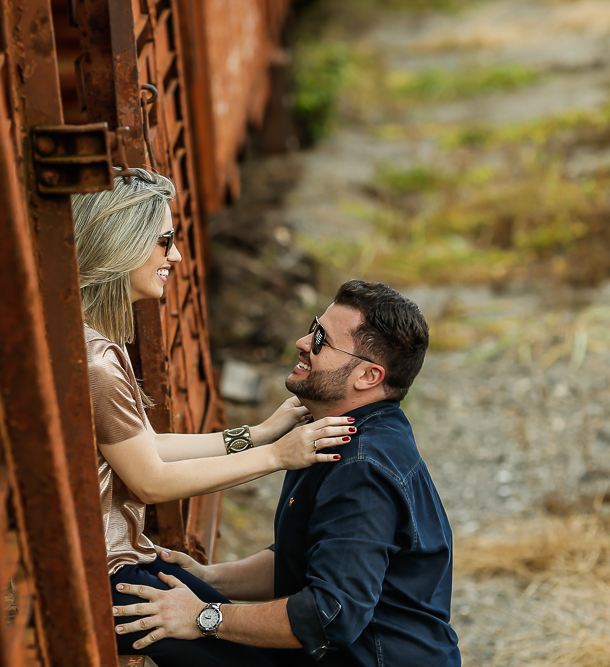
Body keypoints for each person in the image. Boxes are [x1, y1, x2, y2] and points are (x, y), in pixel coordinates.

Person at [71, 168, 354, 665]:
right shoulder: (95, 359)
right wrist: (276, 456)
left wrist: (255, 434)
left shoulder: (84, 338)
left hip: (109, 564)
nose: (175, 256)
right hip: (103, 577)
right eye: (165, 241)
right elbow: (153, 480)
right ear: (122, 243)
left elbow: (145, 445)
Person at [113, 280, 462, 666]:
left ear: (368, 377)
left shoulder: (362, 469)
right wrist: (210, 578)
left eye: (321, 340)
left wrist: (201, 616)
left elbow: (329, 616)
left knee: (139, 608)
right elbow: (303, 557)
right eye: (313, 327)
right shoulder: (333, 432)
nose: (301, 341)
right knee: (154, 584)